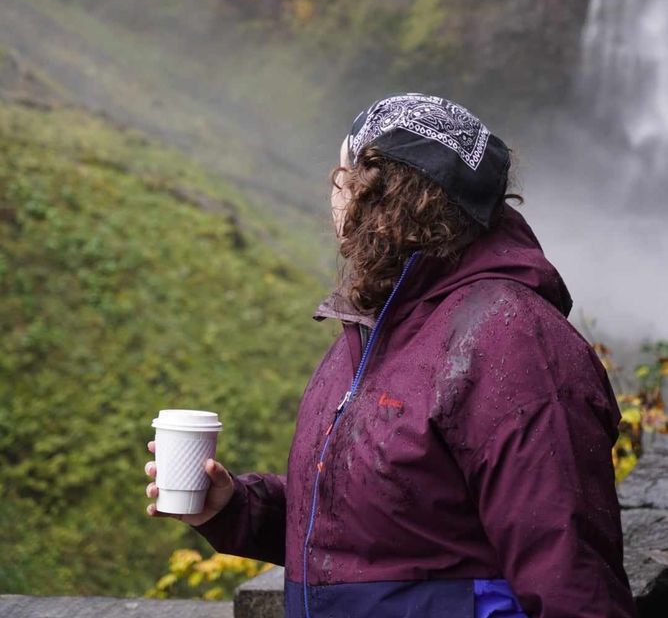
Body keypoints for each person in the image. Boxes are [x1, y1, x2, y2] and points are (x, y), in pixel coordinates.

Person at [145, 93, 637, 618]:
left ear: (376, 193)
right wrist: (236, 509)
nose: (333, 193)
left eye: (342, 175)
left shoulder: (512, 343)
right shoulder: (383, 327)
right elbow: (380, 532)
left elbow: (573, 585)